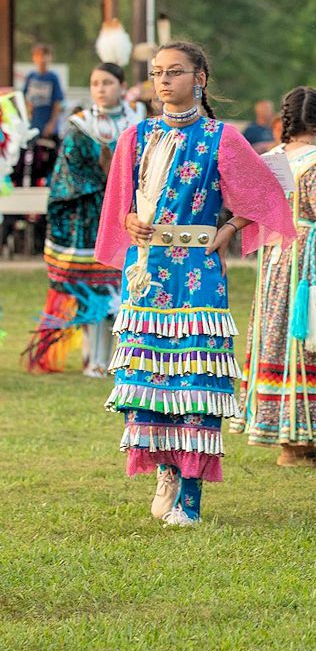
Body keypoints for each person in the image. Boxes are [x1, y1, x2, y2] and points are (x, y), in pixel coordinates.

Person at [96, 41, 295, 527]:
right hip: (146, 271)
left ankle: (191, 494)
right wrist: (131, 220)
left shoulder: (220, 138)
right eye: (158, 72)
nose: (164, 80)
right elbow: (119, 204)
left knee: (197, 378)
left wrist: (226, 231)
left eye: (176, 71)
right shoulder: (135, 137)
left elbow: (266, 193)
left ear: (200, 78)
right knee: (145, 379)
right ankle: (166, 468)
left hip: (198, 274)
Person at [234, 87, 316, 466]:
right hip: (314, 260)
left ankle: (288, 437)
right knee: (312, 339)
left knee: (281, 337)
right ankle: (300, 441)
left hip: (279, 258)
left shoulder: (273, 158)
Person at [24, 62, 143, 375]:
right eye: (95, 83)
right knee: (94, 291)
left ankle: (123, 356)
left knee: (123, 289)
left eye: (107, 82)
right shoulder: (81, 124)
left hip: (132, 216)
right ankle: (95, 359)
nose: (100, 89)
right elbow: (67, 173)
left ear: (121, 85)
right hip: (89, 220)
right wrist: (105, 176)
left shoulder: (140, 122)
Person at [20, 43, 64, 186]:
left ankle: (51, 183)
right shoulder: (31, 77)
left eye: (45, 55)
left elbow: (57, 103)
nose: (42, 59)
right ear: (34, 58)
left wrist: (52, 123)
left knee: (51, 158)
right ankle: (30, 184)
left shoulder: (53, 78)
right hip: (33, 125)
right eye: (38, 56)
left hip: (48, 126)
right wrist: (27, 113)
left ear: (50, 58)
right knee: (31, 158)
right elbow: (25, 98)